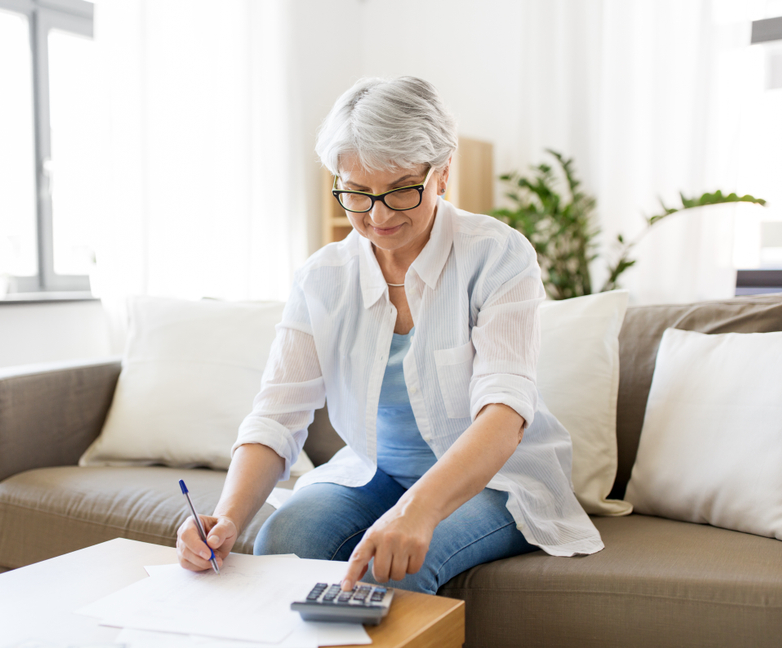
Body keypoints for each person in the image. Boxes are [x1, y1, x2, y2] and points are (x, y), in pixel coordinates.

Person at [177, 76, 603, 595]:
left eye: (401, 190)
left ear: (443, 173)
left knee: (394, 568)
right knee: (283, 540)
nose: (378, 216)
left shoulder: (497, 255)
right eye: (356, 193)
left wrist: (418, 510)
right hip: (374, 473)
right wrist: (225, 519)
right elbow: (276, 415)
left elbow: (505, 412)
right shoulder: (322, 278)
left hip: (496, 480)